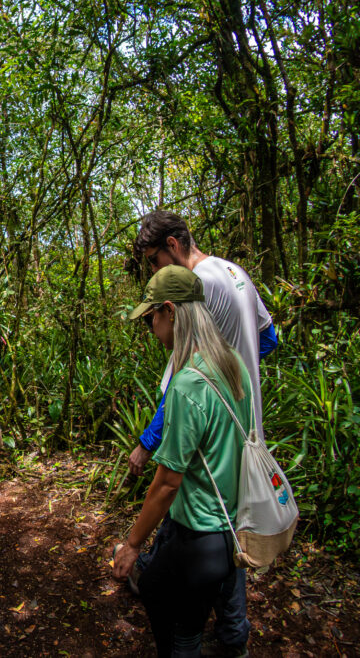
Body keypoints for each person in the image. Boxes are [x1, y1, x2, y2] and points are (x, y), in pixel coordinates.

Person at [130, 210, 277, 654]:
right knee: (231, 534)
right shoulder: (235, 272)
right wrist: (234, 381)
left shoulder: (200, 285)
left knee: (202, 532)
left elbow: (183, 384)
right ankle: (233, 637)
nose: (157, 271)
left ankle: (211, 636)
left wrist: (149, 440)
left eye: (155, 262)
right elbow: (268, 339)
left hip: (208, 440)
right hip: (241, 429)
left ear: (174, 245)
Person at [113, 264, 251, 656]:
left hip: (199, 534)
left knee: (171, 619)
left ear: (170, 311)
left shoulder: (188, 382)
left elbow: (167, 482)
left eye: (151, 316)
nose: (151, 325)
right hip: (230, 528)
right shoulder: (232, 363)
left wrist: (132, 544)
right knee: (181, 614)